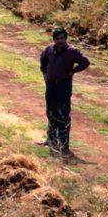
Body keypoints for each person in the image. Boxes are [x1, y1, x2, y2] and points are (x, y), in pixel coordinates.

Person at [38, 28, 91, 156]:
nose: (60, 41)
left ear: (65, 38)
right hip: (51, 85)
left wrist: (73, 71)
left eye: (62, 38)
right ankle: (51, 140)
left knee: (63, 115)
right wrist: (45, 73)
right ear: (54, 39)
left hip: (63, 86)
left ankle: (63, 146)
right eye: (57, 39)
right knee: (51, 112)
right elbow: (43, 59)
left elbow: (86, 62)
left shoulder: (72, 51)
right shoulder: (50, 49)